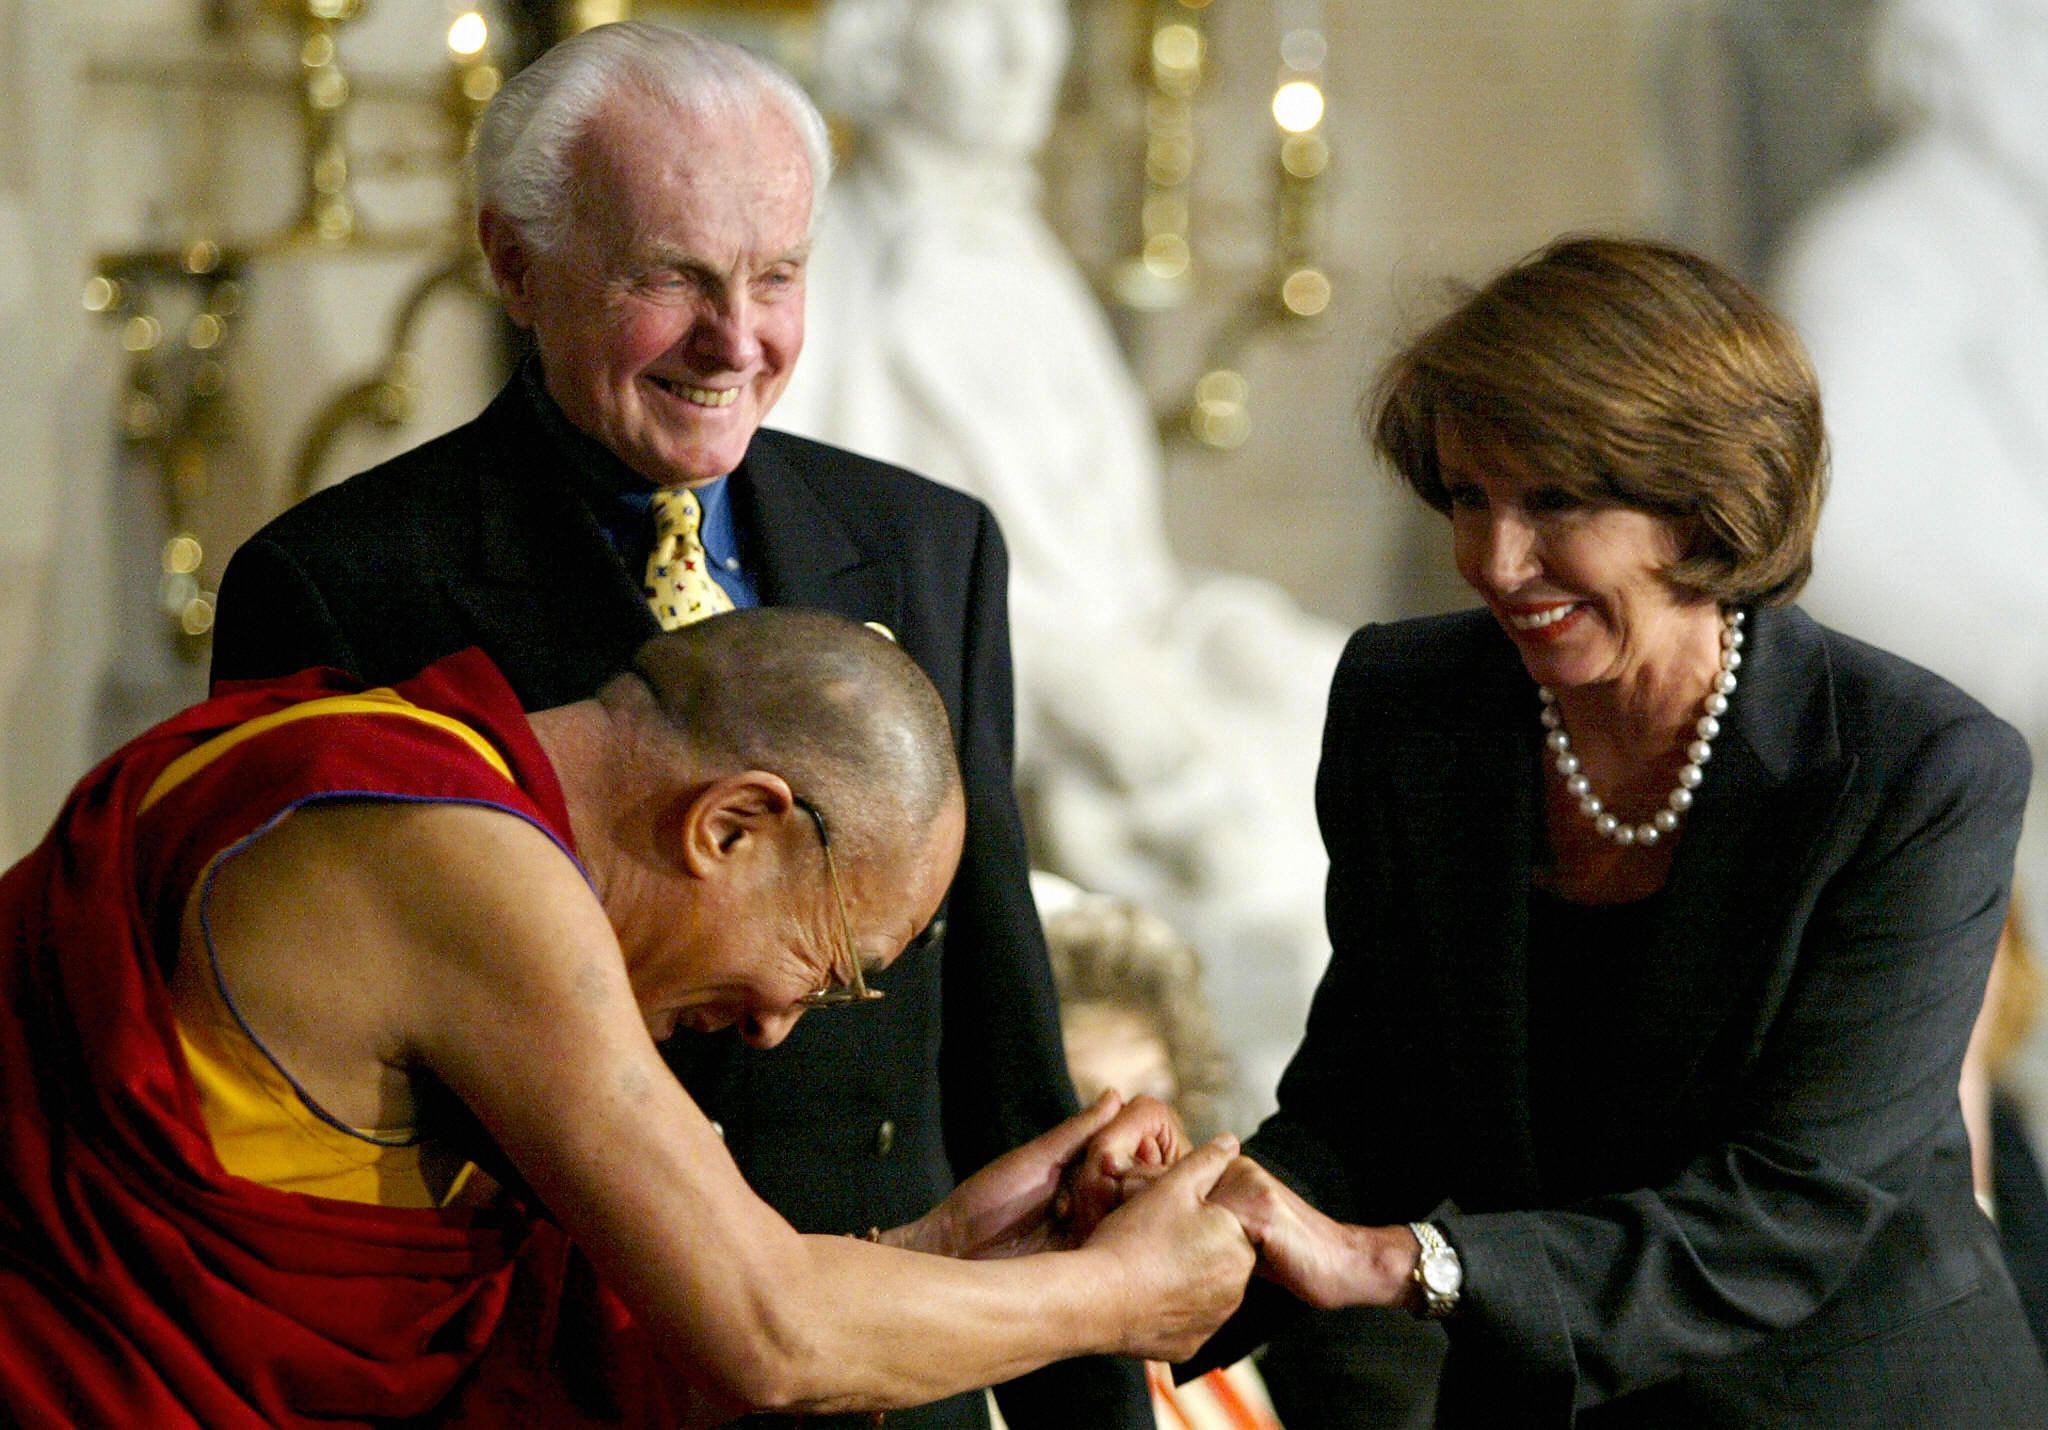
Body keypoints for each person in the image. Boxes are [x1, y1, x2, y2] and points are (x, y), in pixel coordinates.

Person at [205, 23, 1147, 1426]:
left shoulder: (927, 546)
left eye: (778, 276)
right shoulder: (342, 585)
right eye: (671, 278)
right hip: (544, 1381)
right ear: (515, 263)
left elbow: (997, 1026)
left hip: (898, 1376)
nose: (739, 339)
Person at [1072, 236, 2048, 1425]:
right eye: (1469, 497)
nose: (1494, 560)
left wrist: (1406, 1262)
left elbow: (1793, 1203)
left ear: (1703, 499)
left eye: (1556, 500)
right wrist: (1199, 1222)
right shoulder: (1410, 703)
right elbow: (1372, 1100)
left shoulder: (1914, 766)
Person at [0, 609, 1254, 1427]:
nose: (774, 1026)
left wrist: (948, 1248)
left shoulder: (392, 765)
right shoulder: (459, 864)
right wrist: (1116, 1298)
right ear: (731, 825)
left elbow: (662, 1330)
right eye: (822, 967)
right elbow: (768, 1331)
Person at [777, 0, 1345, 1124]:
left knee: (1327, 689)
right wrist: (1064, 667)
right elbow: (833, 560)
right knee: (1255, 856)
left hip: (1124, 636)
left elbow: (1113, 555)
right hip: (977, 671)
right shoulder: (834, 269)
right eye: (974, 19)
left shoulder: (1021, 256)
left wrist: (1204, 623)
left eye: (1037, 17)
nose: (1022, 51)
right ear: (883, 47)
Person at [1028, 874, 1283, 1430]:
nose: (1132, 1148)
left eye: (1156, 1096)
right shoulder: (1003, 1368)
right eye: (1088, 1104)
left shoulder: (1196, 1336)